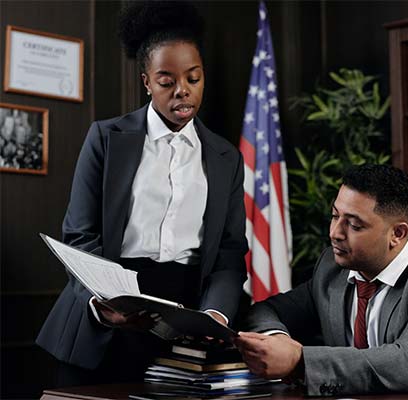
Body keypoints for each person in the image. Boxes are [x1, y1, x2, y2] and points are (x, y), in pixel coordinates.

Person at [36, 1, 248, 386]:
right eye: (167, 81)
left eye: (194, 78)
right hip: (105, 311)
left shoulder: (225, 157)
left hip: (185, 322)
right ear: (147, 82)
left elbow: (230, 253)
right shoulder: (105, 138)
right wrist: (105, 301)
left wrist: (215, 315)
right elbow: (80, 235)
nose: (182, 91)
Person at [235, 164, 408, 396]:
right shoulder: (332, 269)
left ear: (397, 233)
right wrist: (277, 337)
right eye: (335, 216)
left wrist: (299, 361)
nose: (335, 233)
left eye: (353, 225)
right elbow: (267, 310)